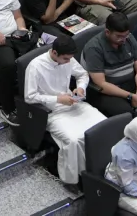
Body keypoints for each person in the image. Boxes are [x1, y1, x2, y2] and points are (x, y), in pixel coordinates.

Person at [24, 35, 105, 186]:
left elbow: (82, 74)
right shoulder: (35, 66)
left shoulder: (68, 58)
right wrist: (57, 99)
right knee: (74, 140)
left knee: (103, 125)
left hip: (73, 104)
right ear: (54, 53)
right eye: (66, 59)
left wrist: (80, 88)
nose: (69, 62)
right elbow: (30, 97)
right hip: (51, 111)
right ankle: (75, 179)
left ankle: (100, 169)